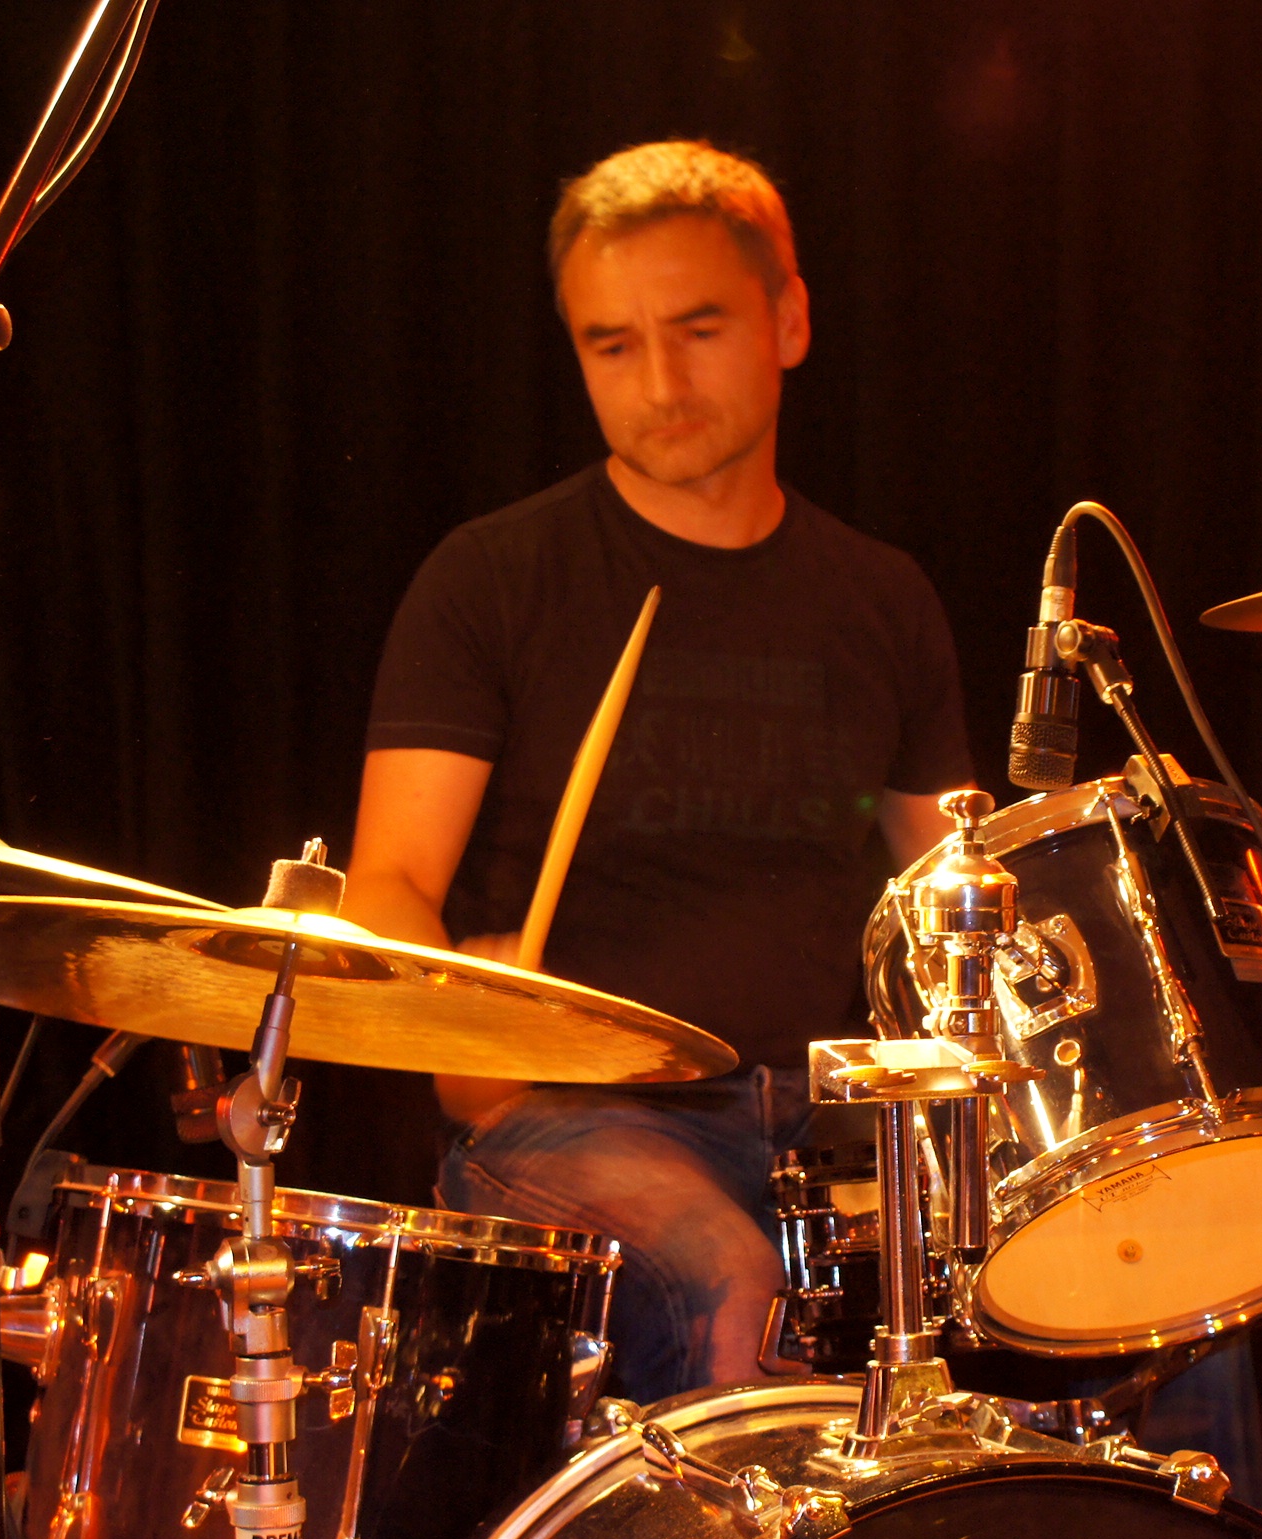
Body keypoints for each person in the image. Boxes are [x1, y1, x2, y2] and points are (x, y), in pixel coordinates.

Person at [342, 140, 973, 1401]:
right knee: (730, 1282)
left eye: (698, 330)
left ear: (788, 322)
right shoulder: (495, 579)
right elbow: (390, 882)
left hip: (837, 1119)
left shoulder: (881, 597)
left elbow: (956, 887)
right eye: (613, 345)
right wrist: (462, 1029)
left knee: (1120, 1256)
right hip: (580, 1114)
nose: (661, 383)